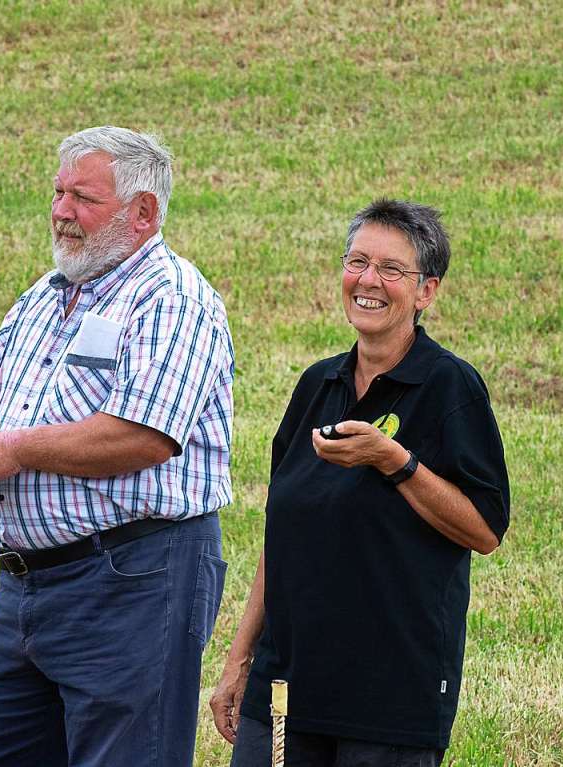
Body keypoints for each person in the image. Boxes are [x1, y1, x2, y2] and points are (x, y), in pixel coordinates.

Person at [0, 126, 235, 767]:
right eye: (58, 192)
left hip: (133, 579)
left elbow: (144, 435)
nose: (61, 211)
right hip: (26, 589)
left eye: (82, 198)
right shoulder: (46, 293)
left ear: (143, 211)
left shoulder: (174, 300)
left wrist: (13, 450)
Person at [210, 199, 511, 766]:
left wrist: (395, 462)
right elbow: (283, 536)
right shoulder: (316, 385)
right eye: (357, 262)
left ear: (426, 291)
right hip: (285, 690)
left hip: (389, 699)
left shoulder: (450, 387)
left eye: (392, 270)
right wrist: (240, 658)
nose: (368, 281)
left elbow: (485, 529)